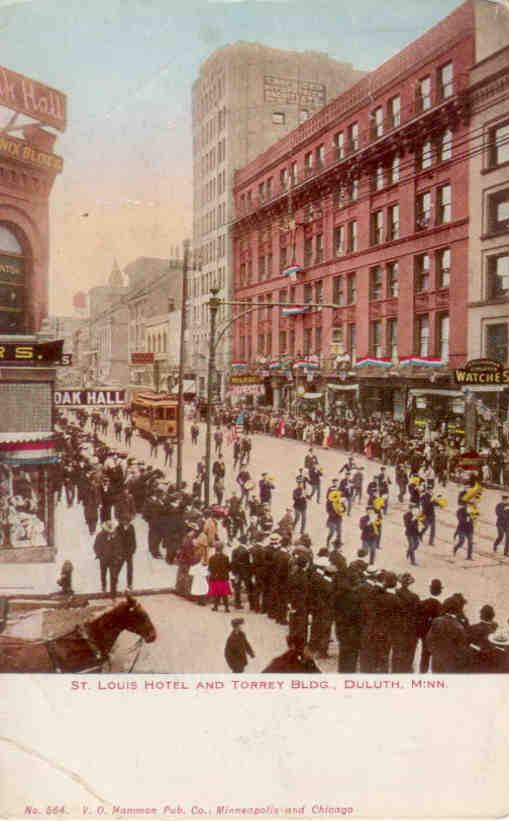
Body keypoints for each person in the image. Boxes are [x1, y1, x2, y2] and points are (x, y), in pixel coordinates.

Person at [425, 596, 470, 673]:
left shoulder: (436, 621)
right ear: (457, 609)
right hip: (451, 662)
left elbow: (429, 640)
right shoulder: (459, 626)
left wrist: (435, 653)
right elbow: (462, 647)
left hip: (437, 660)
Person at [417, 579, 444, 673]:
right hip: (436, 635)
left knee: (424, 654)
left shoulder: (423, 602)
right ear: (440, 591)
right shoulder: (441, 606)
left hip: (425, 633)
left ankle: (422, 671)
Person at [114, 514, 137, 592]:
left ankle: (129, 584)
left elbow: (134, 540)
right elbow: (117, 541)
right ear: (122, 521)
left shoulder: (131, 528)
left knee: (130, 569)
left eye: (128, 521)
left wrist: (133, 549)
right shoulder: (118, 528)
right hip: (122, 552)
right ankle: (115, 581)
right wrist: (119, 552)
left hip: (129, 552)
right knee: (118, 567)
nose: (126, 523)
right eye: (124, 521)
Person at [208, 543, 232, 612]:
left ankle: (215, 607)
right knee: (224, 593)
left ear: (215, 549)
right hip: (223, 577)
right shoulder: (226, 557)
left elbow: (210, 568)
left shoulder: (212, 558)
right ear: (222, 549)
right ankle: (226, 608)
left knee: (216, 593)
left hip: (215, 577)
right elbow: (229, 568)